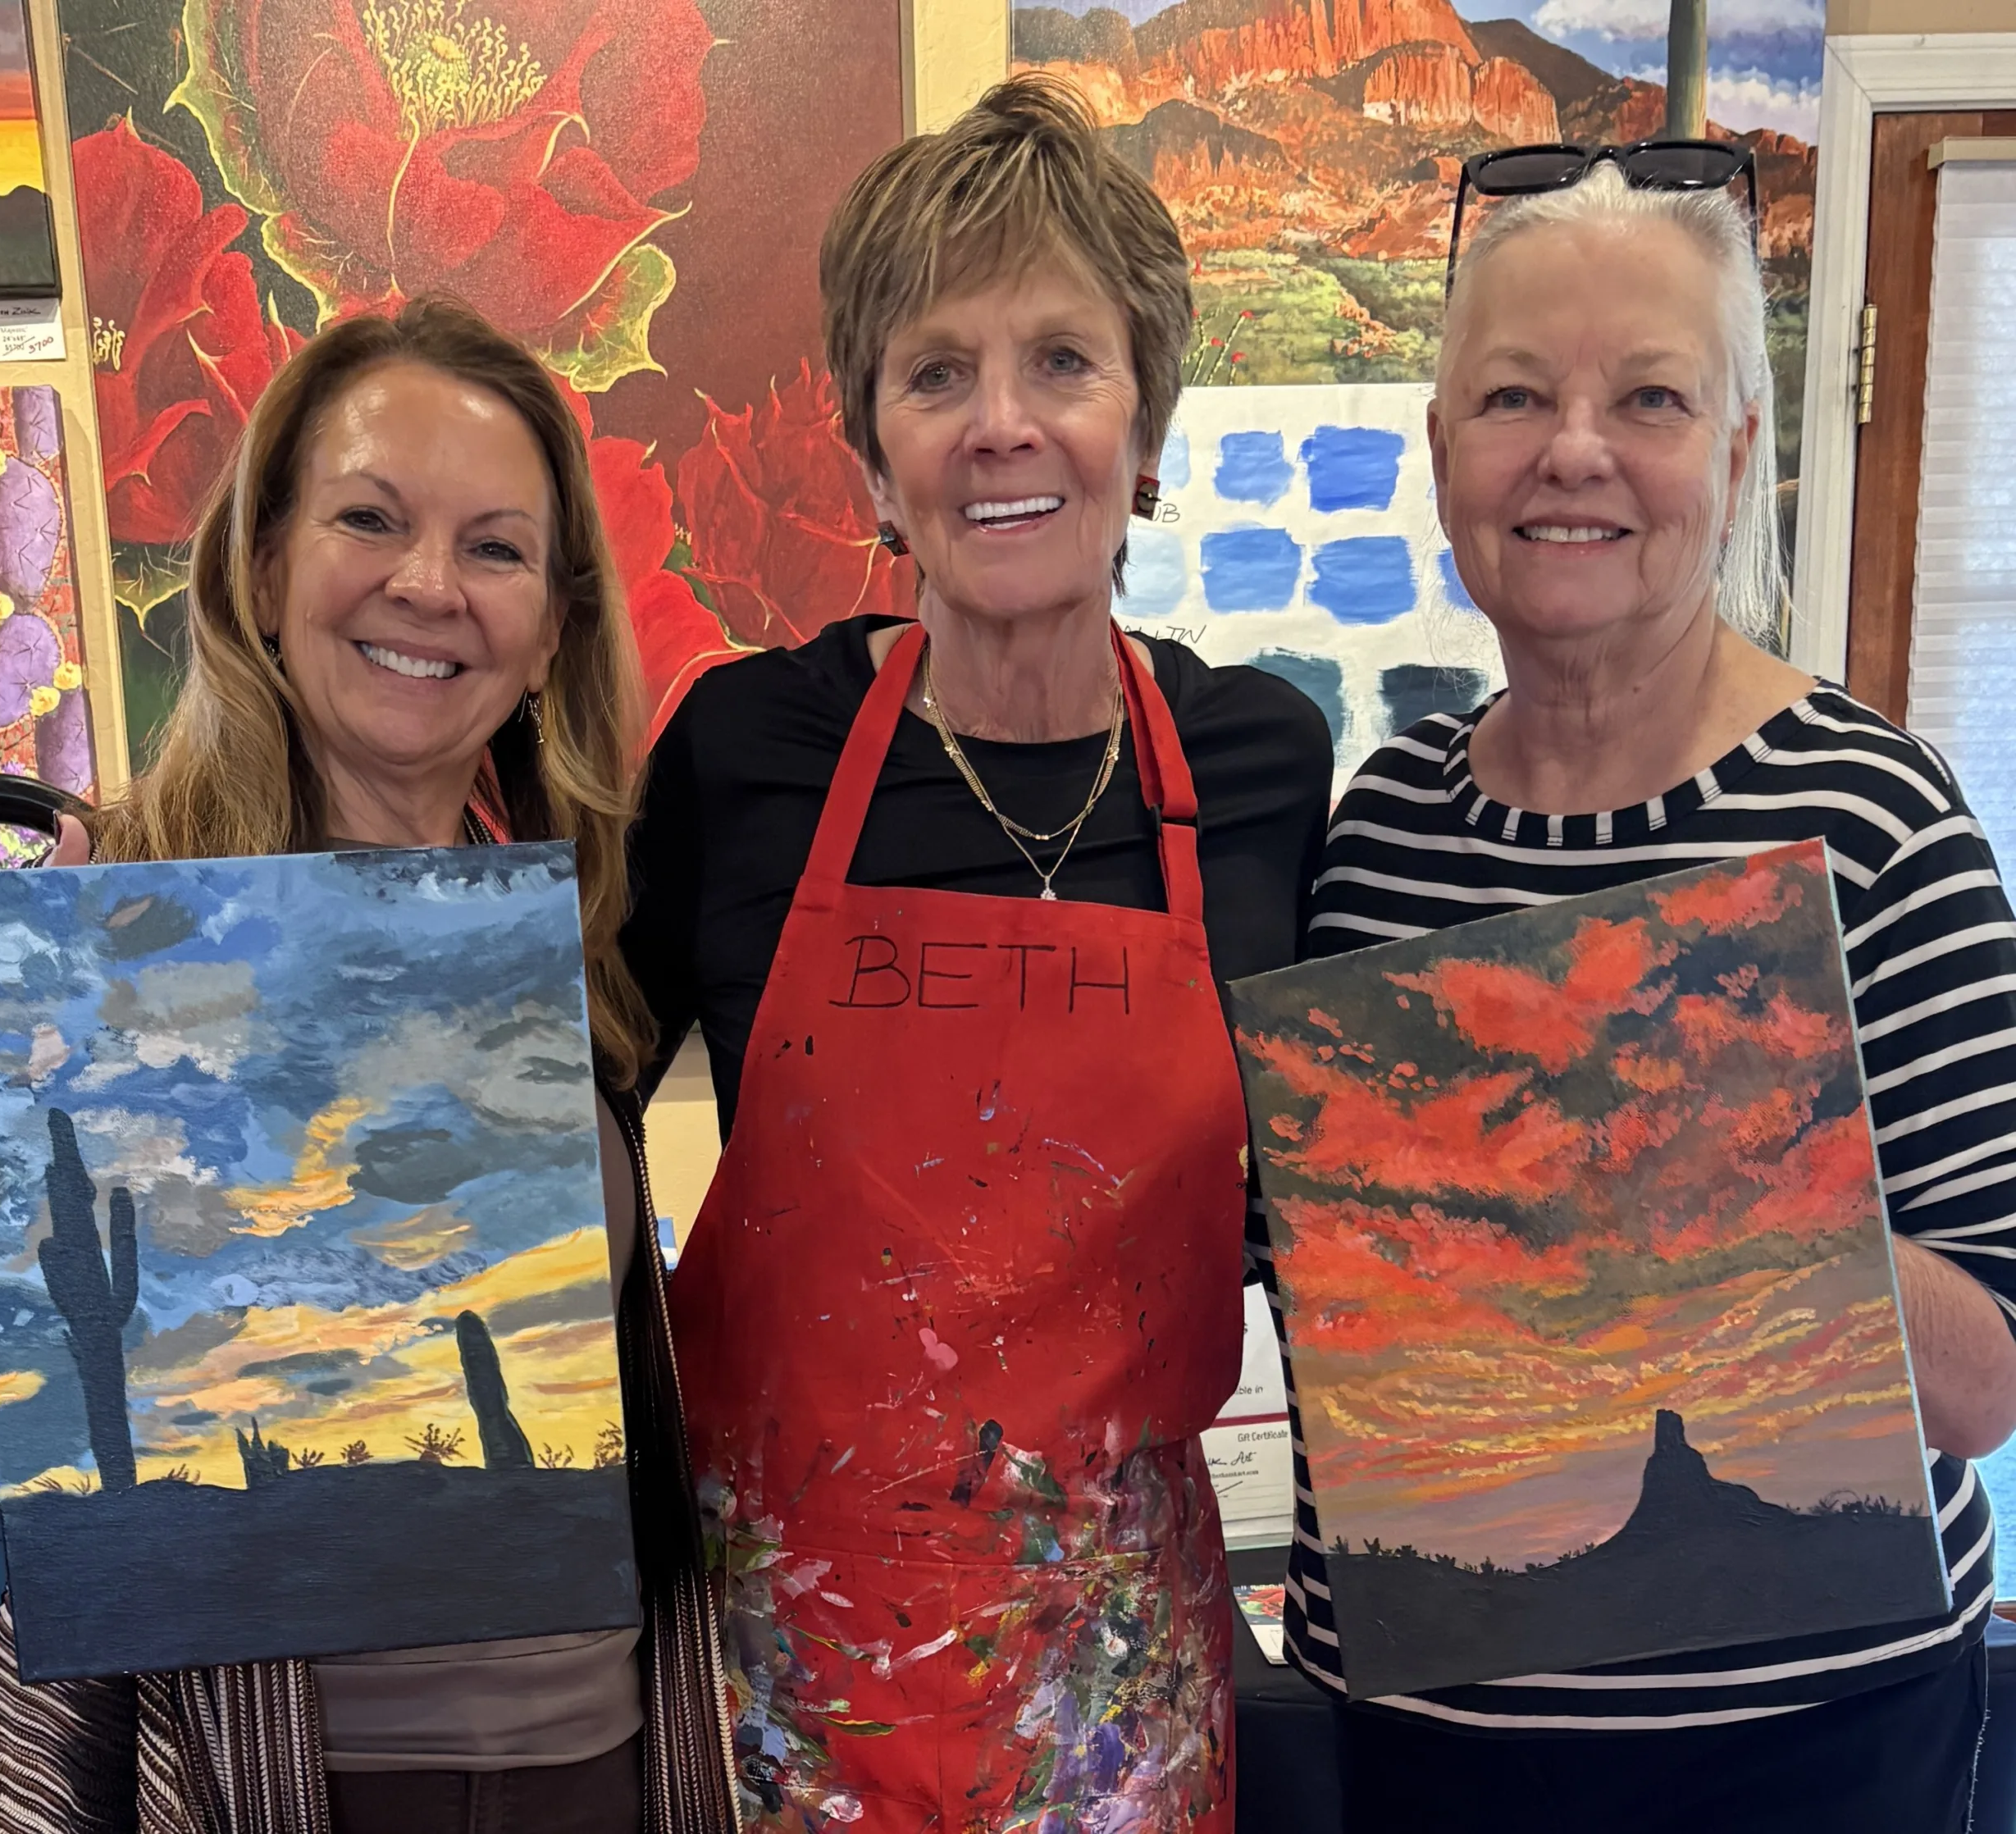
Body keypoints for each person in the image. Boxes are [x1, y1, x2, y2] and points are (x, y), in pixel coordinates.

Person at [1269, 156, 2016, 1833]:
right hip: (1425, 1737)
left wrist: (1715, 1181)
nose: (1573, 449)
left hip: (1803, 1754)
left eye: (1649, 397)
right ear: (1442, 450)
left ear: (1737, 451)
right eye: (1512, 394)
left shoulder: (1872, 819)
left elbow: (1987, 1375)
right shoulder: (1376, 832)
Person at [621, 75, 1332, 1832]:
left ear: (1145, 426)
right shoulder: (744, 751)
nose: (999, 422)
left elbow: (1319, 1190)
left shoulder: (1257, 769)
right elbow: (537, 1106)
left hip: (1118, 1700)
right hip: (782, 1694)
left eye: (1060, 363)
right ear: (870, 449)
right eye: (935, 371)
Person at [0, 297, 737, 1834]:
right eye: (369, 518)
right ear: (263, 562)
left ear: (552, 622)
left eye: (496, 548)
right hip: (273, 1778)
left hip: (593, 1756)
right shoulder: (120, 922)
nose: (429, 586)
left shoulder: (573, 948)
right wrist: (42, 1079)